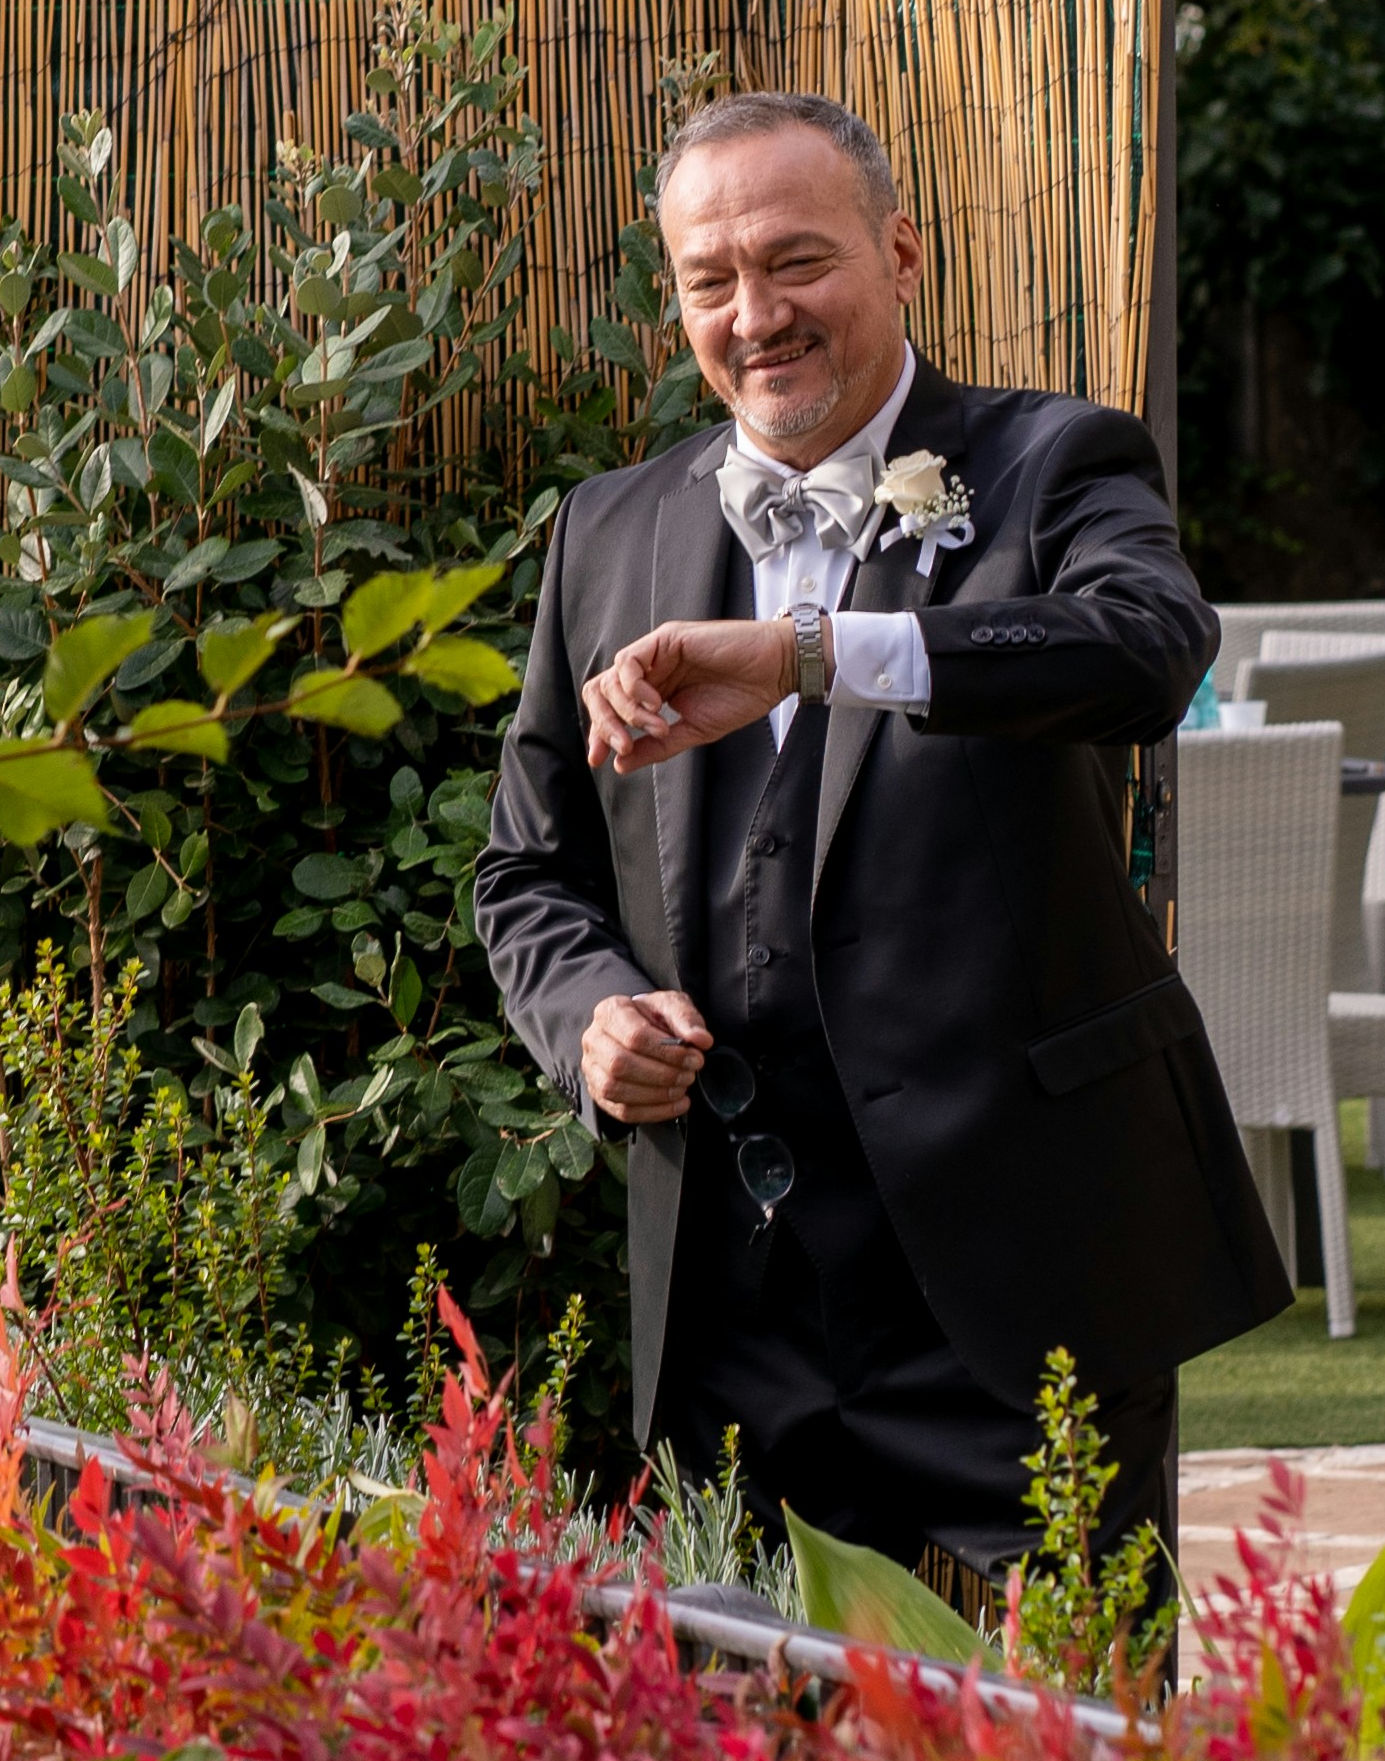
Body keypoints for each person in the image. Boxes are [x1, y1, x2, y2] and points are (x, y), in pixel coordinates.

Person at [472, 89, 1283, 1586]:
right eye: (711, 280)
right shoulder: (607, 529)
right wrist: (590, 1020)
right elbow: (529, 867)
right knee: (752, 1722)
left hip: (1021, 1266)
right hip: (729, 1292)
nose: (756, 316)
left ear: (901, 254)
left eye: (797, 261)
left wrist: (813, 653)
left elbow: (1146, 652)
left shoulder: (1054, 461)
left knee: (1069, 1719)